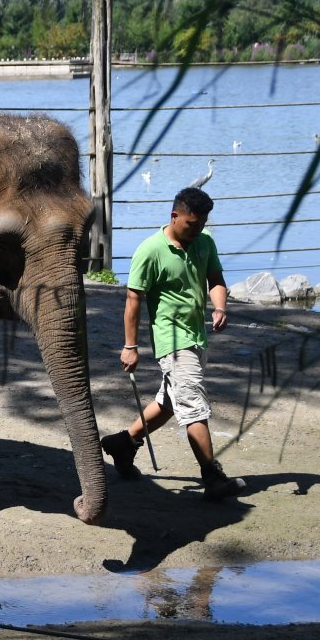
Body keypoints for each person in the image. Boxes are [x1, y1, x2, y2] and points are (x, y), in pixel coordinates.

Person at [100, 186, 246, 501]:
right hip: (172, 340)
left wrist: (220, 307)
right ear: (174, 216)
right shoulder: (150, 250)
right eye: (192, 224)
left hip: (197, 337)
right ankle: (212, 476)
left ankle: (123, 444)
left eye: (203, 224)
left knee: (169, 403)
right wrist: (130, 345)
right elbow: (133, 300)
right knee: (193, 404)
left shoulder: (205, 243)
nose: (198, 230)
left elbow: (216, 280)